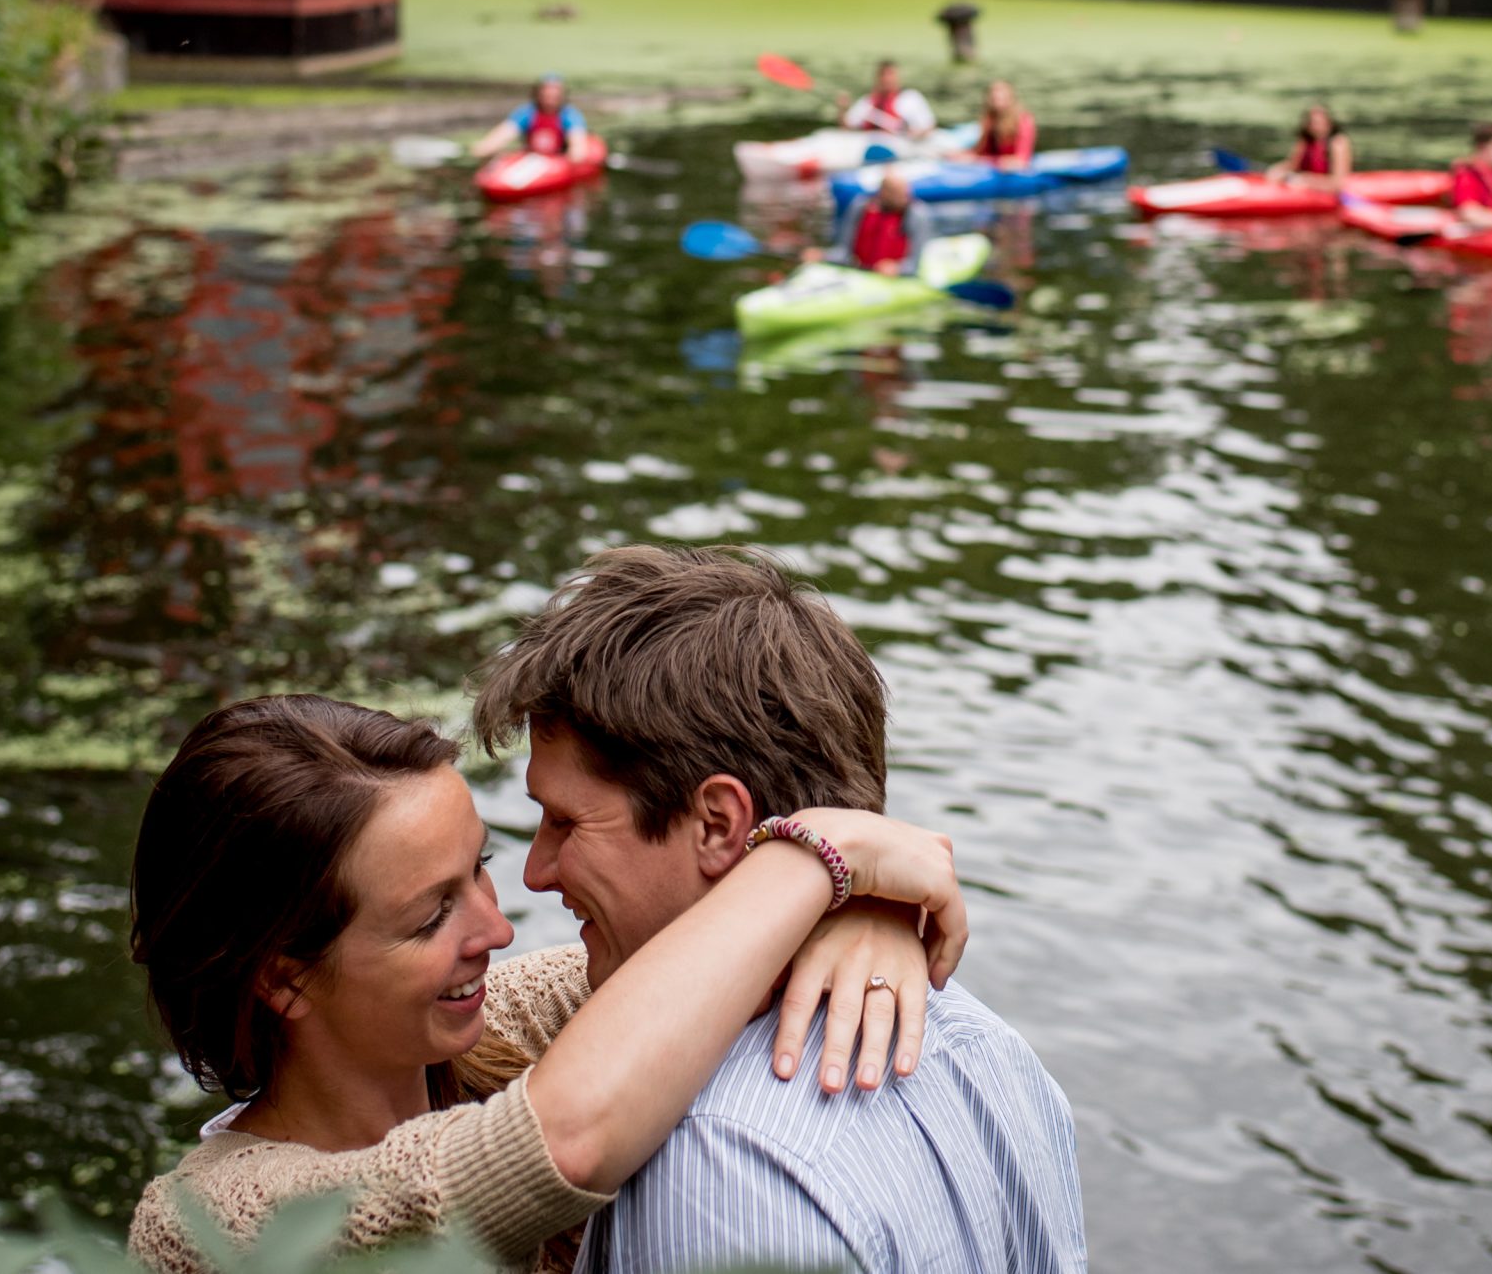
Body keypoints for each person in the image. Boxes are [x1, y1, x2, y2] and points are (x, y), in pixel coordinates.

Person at [125, 693, 966, 1274]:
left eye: (479, 870)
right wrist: (815, 856)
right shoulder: (205, 1225)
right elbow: (547, 1146)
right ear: (285, 977)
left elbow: (699, 956)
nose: (496, 931)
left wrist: (862, 915)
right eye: (429, 918)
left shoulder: (506, 1025)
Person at [469, 546, 1087, 1274]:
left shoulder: (711, 1161)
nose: (535, 874)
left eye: (567, 823)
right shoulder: (991, 1052)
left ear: (718, 824)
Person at [811, 167, 933, 276]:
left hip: (894, 278)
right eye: (895, 192)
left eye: (904, 192)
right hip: (861, 272)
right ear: (883, 192)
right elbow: (844, 252)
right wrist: (824, 256)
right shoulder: (861, 207)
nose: (903, 197)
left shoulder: (916, 214)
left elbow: (918, 263)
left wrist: (898, 268)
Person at [476, 76, 594, 162]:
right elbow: (502, 134)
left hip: (558, 159)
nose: (549, 101)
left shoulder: (570, 115)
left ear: (561, 97)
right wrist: (485, 149)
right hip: (533, 158)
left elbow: (578, 146)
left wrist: (574, 157)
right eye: (546, 96)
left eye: (554, 97)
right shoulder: (527, 113)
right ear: (538, 95)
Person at [838, 61, 938, 140]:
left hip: (901, 145)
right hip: (873, 148)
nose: (886, 79)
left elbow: (929, 126)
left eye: (890, 74)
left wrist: (915, 134)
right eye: (883, 75)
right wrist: (842, 109)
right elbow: (847, 126)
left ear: (897, 77)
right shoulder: (867, 102)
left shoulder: (910, 98)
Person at [1263, 104, 1351, 191]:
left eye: (1318, 122)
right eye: (1312, 123)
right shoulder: (1305, 141)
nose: (1315, 127)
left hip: (1326, 191)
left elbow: (1338, 184)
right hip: (1306, 186)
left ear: (1329, 123)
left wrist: (1307, 181)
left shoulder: (1338, 143)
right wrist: (1276, 172)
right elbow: (1292, 165)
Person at [974, 79, 1036, 169]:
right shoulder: (990, 120)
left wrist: (986, 160)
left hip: (1013, 169)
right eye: (993, 98)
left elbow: (1021, 161)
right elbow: (982, 152)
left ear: (1010, 98)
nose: (996, 102)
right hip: (994, 166)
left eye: (1000, 98)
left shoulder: (1024, 120)